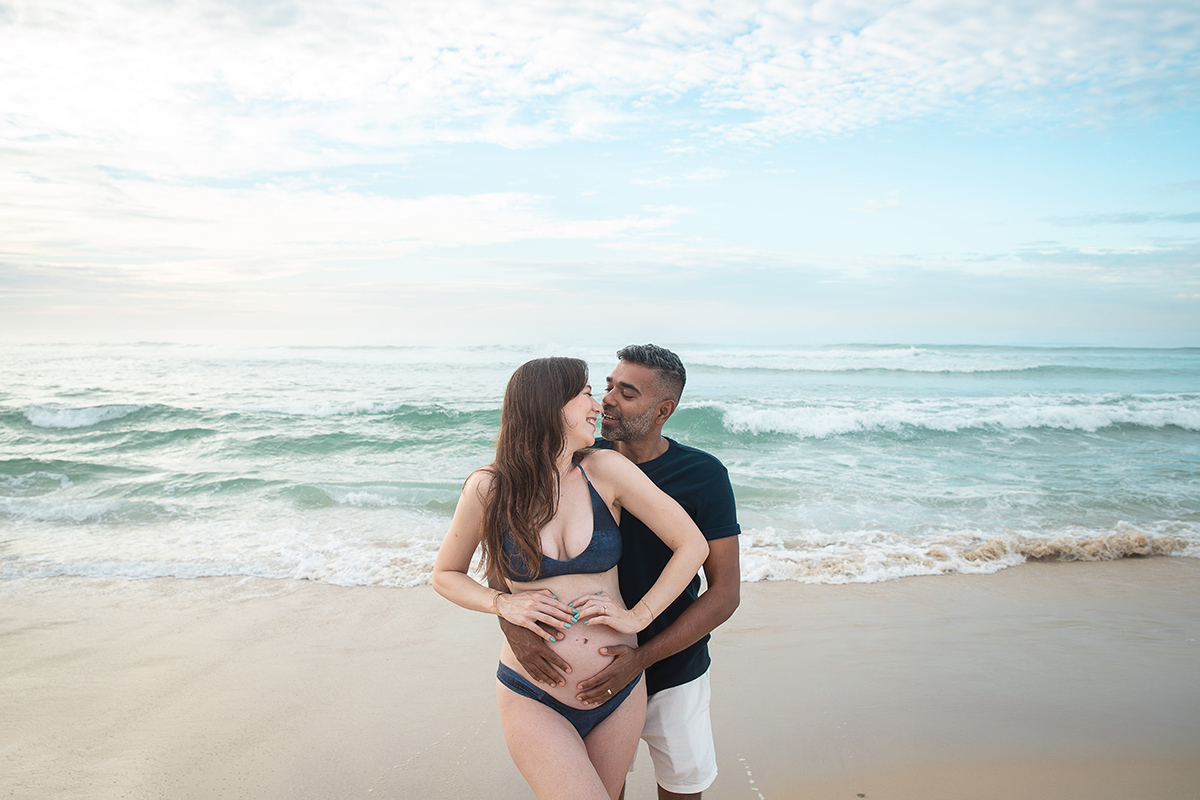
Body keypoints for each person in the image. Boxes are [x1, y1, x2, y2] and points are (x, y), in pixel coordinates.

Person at [432, 356, 709, 800]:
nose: (597, 404)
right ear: (549, 406)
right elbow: (445, 574)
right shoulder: (489, 487)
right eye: (583, 393)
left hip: (617, 693)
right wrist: (501, 603)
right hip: (533, 693)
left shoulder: (606, 471)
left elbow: (692, 544)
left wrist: (640, 616)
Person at [500, 344, 741, 800]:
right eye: (607, 386)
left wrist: (641, 656)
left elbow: (725, 593)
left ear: (662, 410)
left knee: (682, 791)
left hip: (673, 670)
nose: (607, 399)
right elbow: (509, 559)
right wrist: (516, 631)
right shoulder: (576, 459)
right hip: (585, 681)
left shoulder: (702, 475)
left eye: (626, 393)